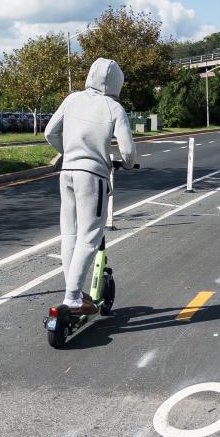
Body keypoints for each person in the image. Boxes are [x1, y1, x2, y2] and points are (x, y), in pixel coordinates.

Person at [45, 58, 137, 316]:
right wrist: (127, 164)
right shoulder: (113, 108)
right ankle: (73, 298)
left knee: (70, 235)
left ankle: (72, 292)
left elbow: (50, 132)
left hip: (67, 173)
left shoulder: (72, 99)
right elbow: (128, 151)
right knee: (89, 237)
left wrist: (70, 151)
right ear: (117, 83)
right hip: (93, 177)